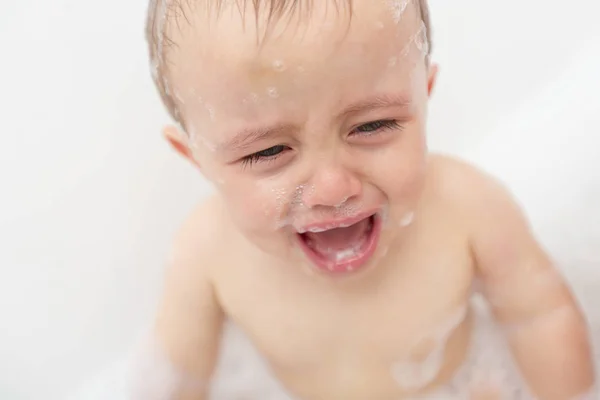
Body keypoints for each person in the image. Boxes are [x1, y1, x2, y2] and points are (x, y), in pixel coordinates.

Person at [138, 0, 596, 398]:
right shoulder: (207, 252)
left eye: (372, 125)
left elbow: (539, 318)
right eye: (268, 151)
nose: (333, 187)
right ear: (195, 157)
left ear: (424, 98)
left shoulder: (469, 209)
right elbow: (177, 379)